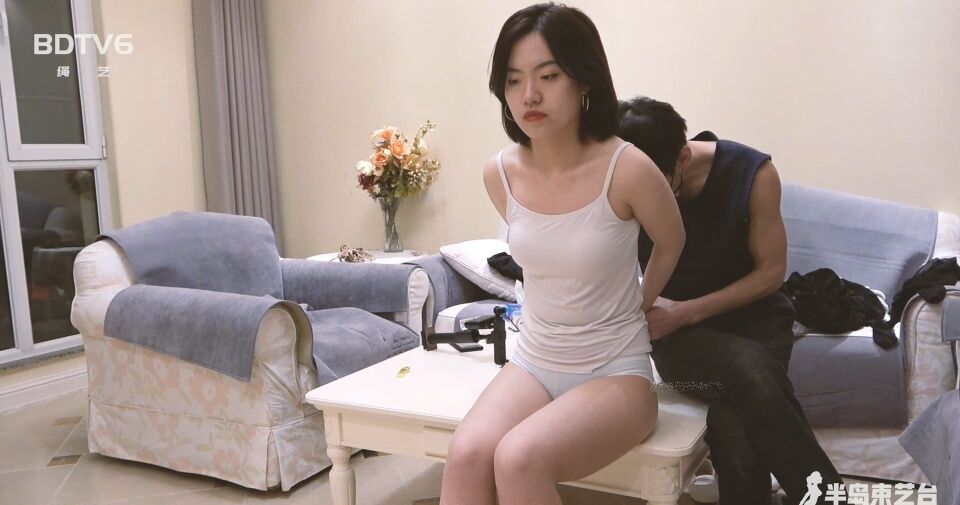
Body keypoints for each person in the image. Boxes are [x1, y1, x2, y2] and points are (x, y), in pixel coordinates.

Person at [439, 5, 686, 505]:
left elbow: (671, 240)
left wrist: (642, 302)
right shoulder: (500, 173)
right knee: (465, 454)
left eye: (548, 76)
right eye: (513, 81)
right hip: (534, 361)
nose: (529, 95)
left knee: (518, 458)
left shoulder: (627, 167)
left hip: (617, 371)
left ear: (584, 81)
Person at [618, 95, 846, 505]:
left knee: (736, 429)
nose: (647, 196)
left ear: (683, 158)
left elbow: (771, 272)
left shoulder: (753, 174)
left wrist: (685, 312)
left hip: (754, 324)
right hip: (684, 350)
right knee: (751, 373)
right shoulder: (621, 177)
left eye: (658, 183)